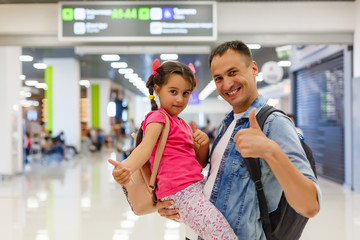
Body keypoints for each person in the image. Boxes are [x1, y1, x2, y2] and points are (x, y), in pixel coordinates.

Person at [157, 40, 321, 239]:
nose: (227, 84)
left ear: (253, 68)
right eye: (218, 78)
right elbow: (218, 187)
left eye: (233, 72)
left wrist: (271, 151)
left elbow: (310, 205)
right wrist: (176, 204)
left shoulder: (273, 124)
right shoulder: (227, 124)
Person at [109, 60, 238, 240]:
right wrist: (125, 167)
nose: (180, 99)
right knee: (223, 234)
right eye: (173, 92)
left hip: (194, 187)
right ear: (157, 89)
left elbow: (199, 163)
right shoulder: (157, 117)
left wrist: (203, 144)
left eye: (185, 93)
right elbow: (145, 148)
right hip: (181, 193)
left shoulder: (182, 124)